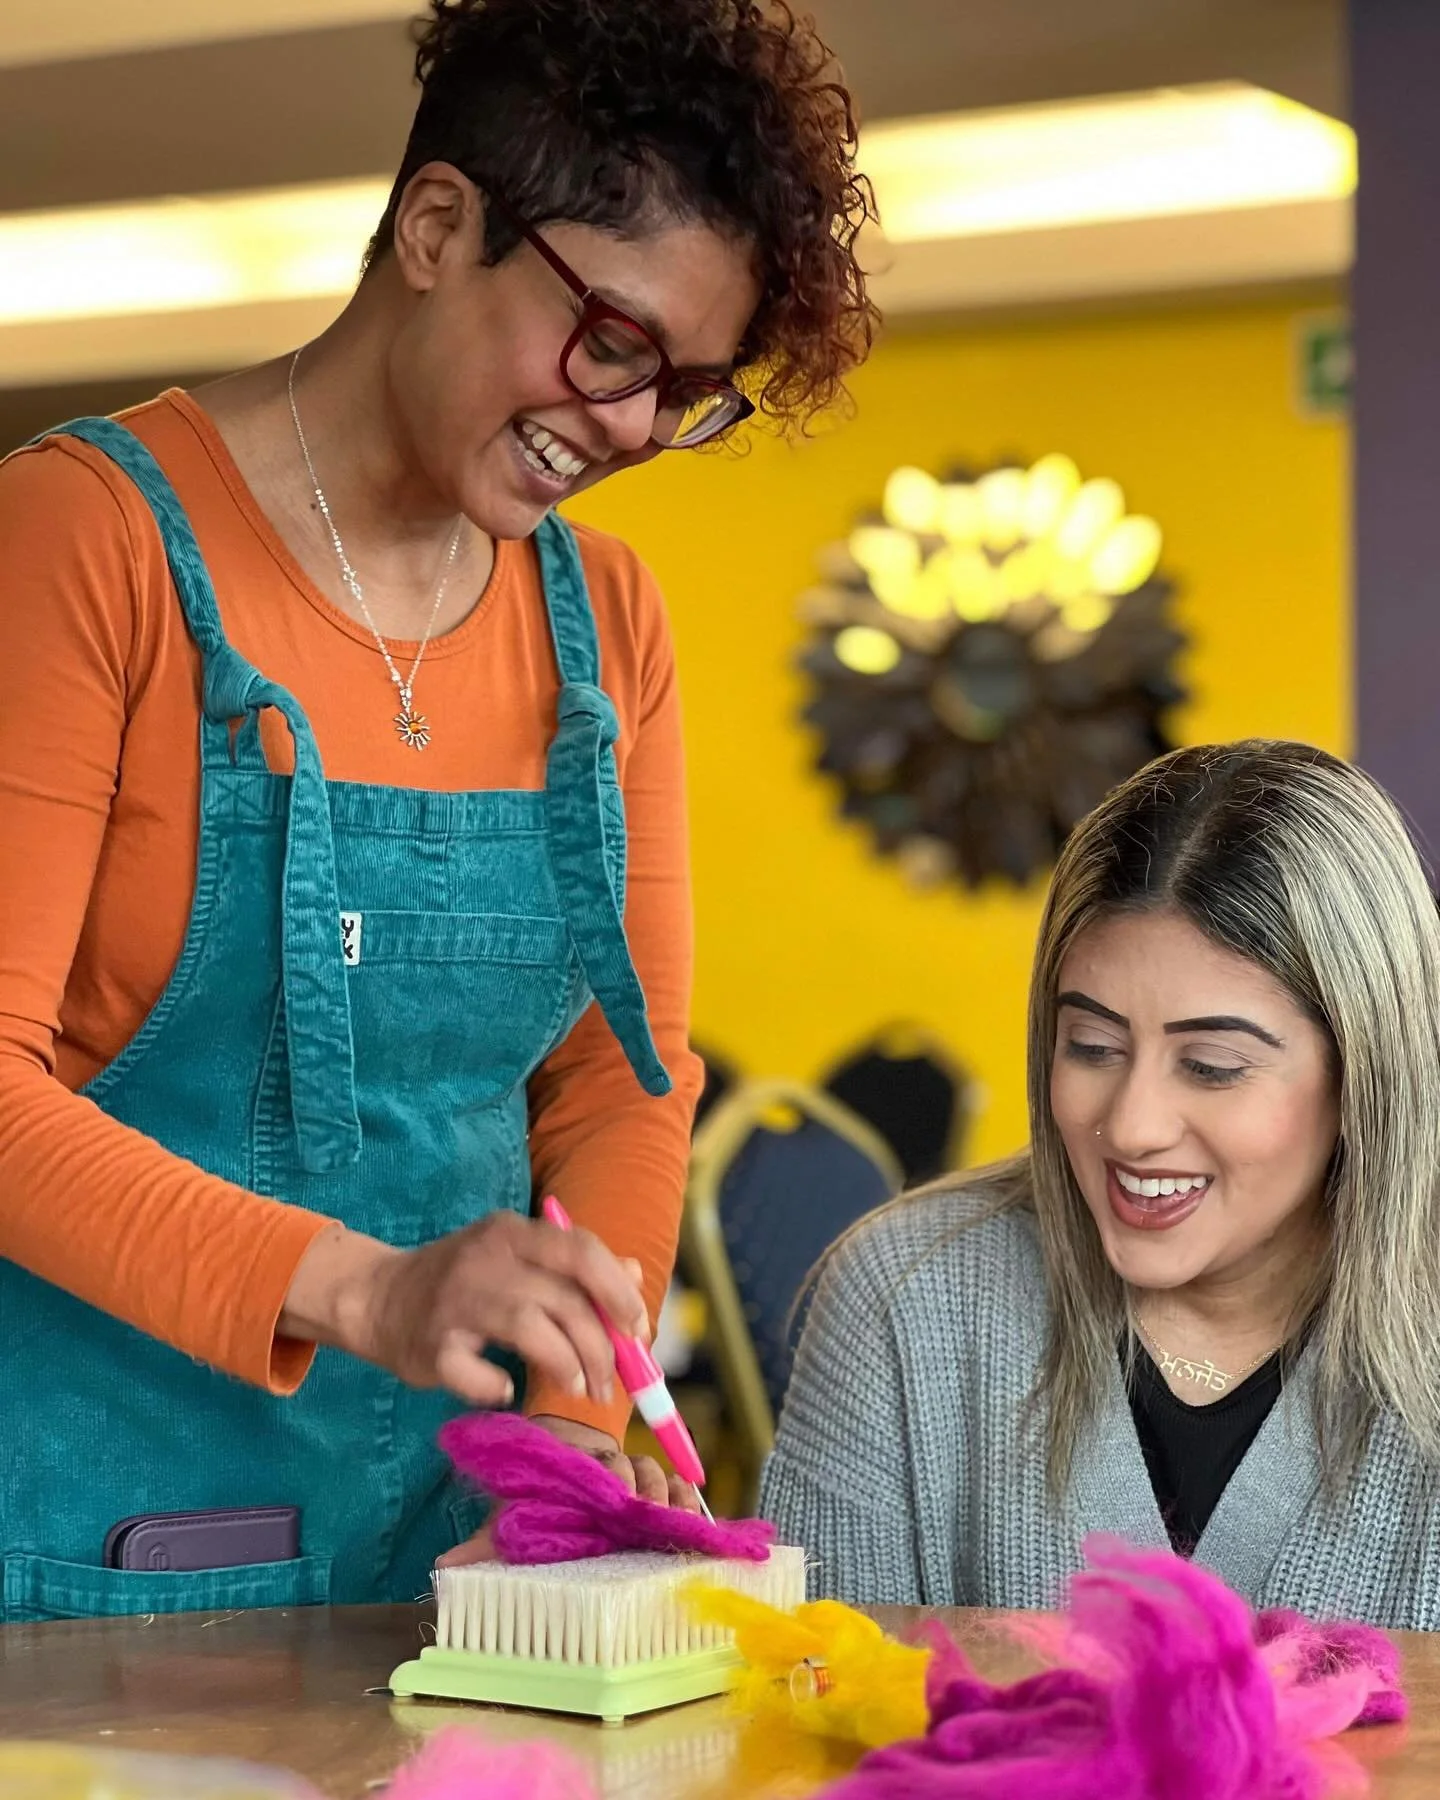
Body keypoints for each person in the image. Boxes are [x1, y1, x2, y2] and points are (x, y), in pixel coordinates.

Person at [0, 0, 875, 1619]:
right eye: (614, 344)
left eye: (686, 388)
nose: (628, 428)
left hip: (455, 1557)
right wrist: (367, 1290)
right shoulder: (88, 539)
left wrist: (565, 1447)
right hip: (94, 1550)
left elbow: (622, 1078)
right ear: (437, 225)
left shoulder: (606, 625)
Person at [762, 740, 1440, 1630]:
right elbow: (809, 1728)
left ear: (1366, 1077)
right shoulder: (902, 1298)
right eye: (1092, 1047)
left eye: (1211, 1065)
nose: (1130, 1125)